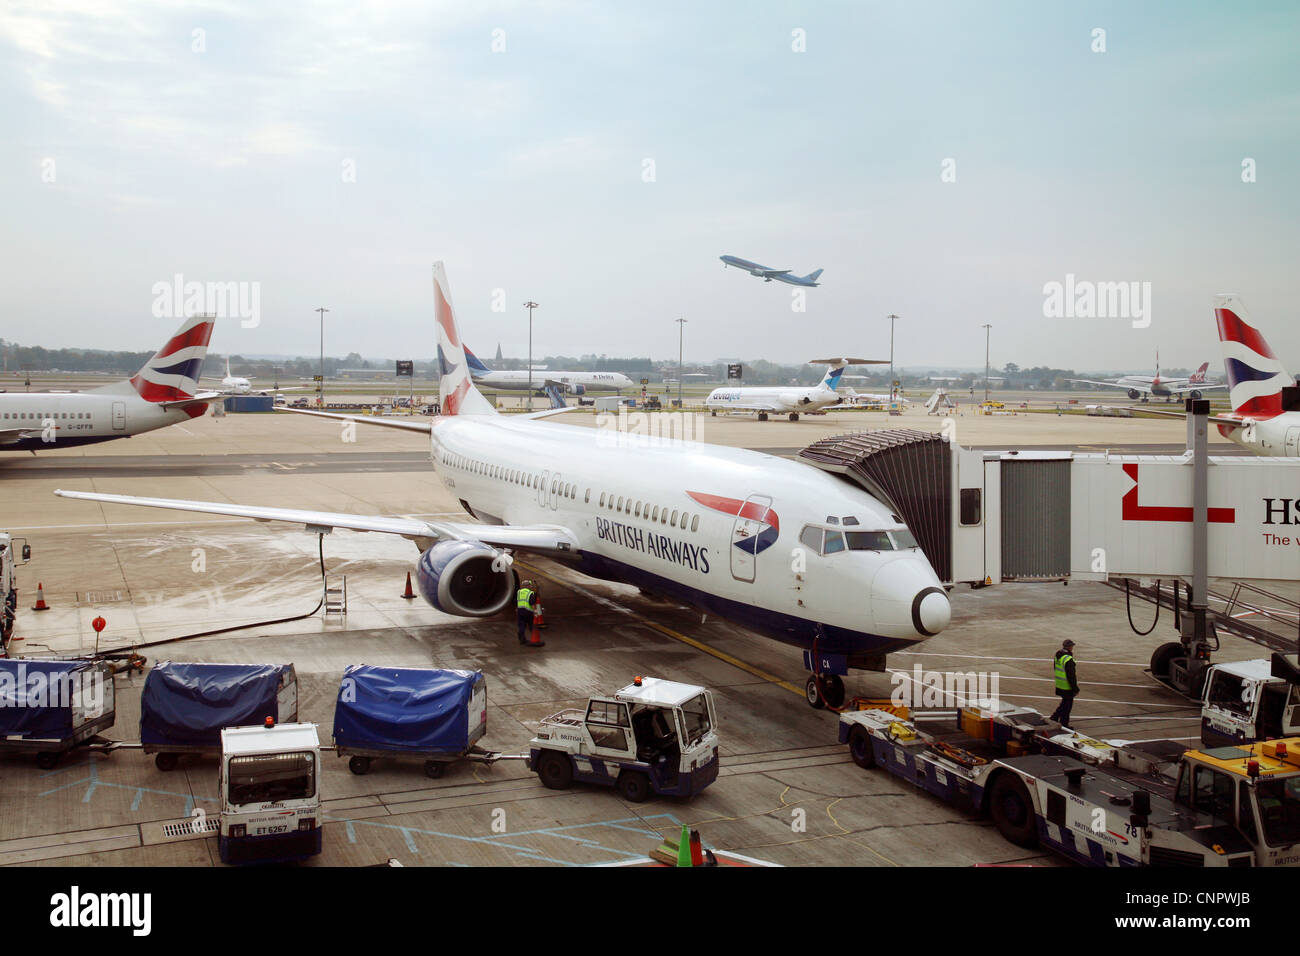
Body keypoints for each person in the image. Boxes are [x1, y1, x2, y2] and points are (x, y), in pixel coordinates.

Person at [1050, 639, 1079, 727]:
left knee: (1064, 703)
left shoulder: (1058, 655)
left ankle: (1054, 717)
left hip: (1060, 684)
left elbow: (1055, 668)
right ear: (1070, 647)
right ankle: (1064, 723)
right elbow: (1071, 676)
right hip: (1067, 686)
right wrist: (1075, 688)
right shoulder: (1068, 659)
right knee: (1067, 706)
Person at [516, 579, 543, 647]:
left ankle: (522, 639)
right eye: (530, 585)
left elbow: (517, 600)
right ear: (528, 586)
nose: (531, 586)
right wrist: (535, 612)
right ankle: (534, 638)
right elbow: (532, 603)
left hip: (520, 611)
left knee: (521, 625)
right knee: (531, 625)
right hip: (528, 611)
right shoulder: (530, 593)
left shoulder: (519, 592)